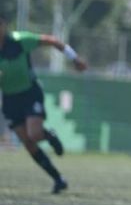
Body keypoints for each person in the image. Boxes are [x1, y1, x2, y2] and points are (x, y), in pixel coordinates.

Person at [0, 11, 87, 193]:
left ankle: (49, 136)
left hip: (29, 93)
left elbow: (53, 41)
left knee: (35, 134)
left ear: (5, 25)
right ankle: (58, 179)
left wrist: (75, 58)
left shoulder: (19, 41)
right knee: (28, 143)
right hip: (10, 100)